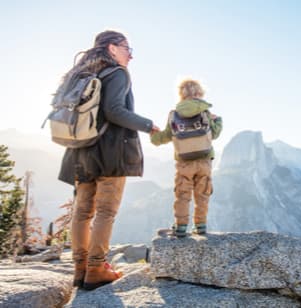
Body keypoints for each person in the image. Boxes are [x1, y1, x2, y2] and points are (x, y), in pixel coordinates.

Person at [57, 30, 159, 290]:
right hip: (110, 151)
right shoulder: (117, 73)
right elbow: (114, 111)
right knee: (105, 211)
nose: (131, 55)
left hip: (80, 150)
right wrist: (148, 125)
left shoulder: (82, 74)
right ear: (113, 48)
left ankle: (80, 270)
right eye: (128, 48)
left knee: (81, 212)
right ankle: (97, 268)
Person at [150, 78, 222, 237]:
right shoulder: (205, 112)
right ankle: (201, 225)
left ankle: (181, 226)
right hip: (204, 161)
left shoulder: (174, 114)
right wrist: (219, 121)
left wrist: (153, 135)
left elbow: (164, 137)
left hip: (184, 163)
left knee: (182, 195)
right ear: (199, 93)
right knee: (202, 194)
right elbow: (215, 134)